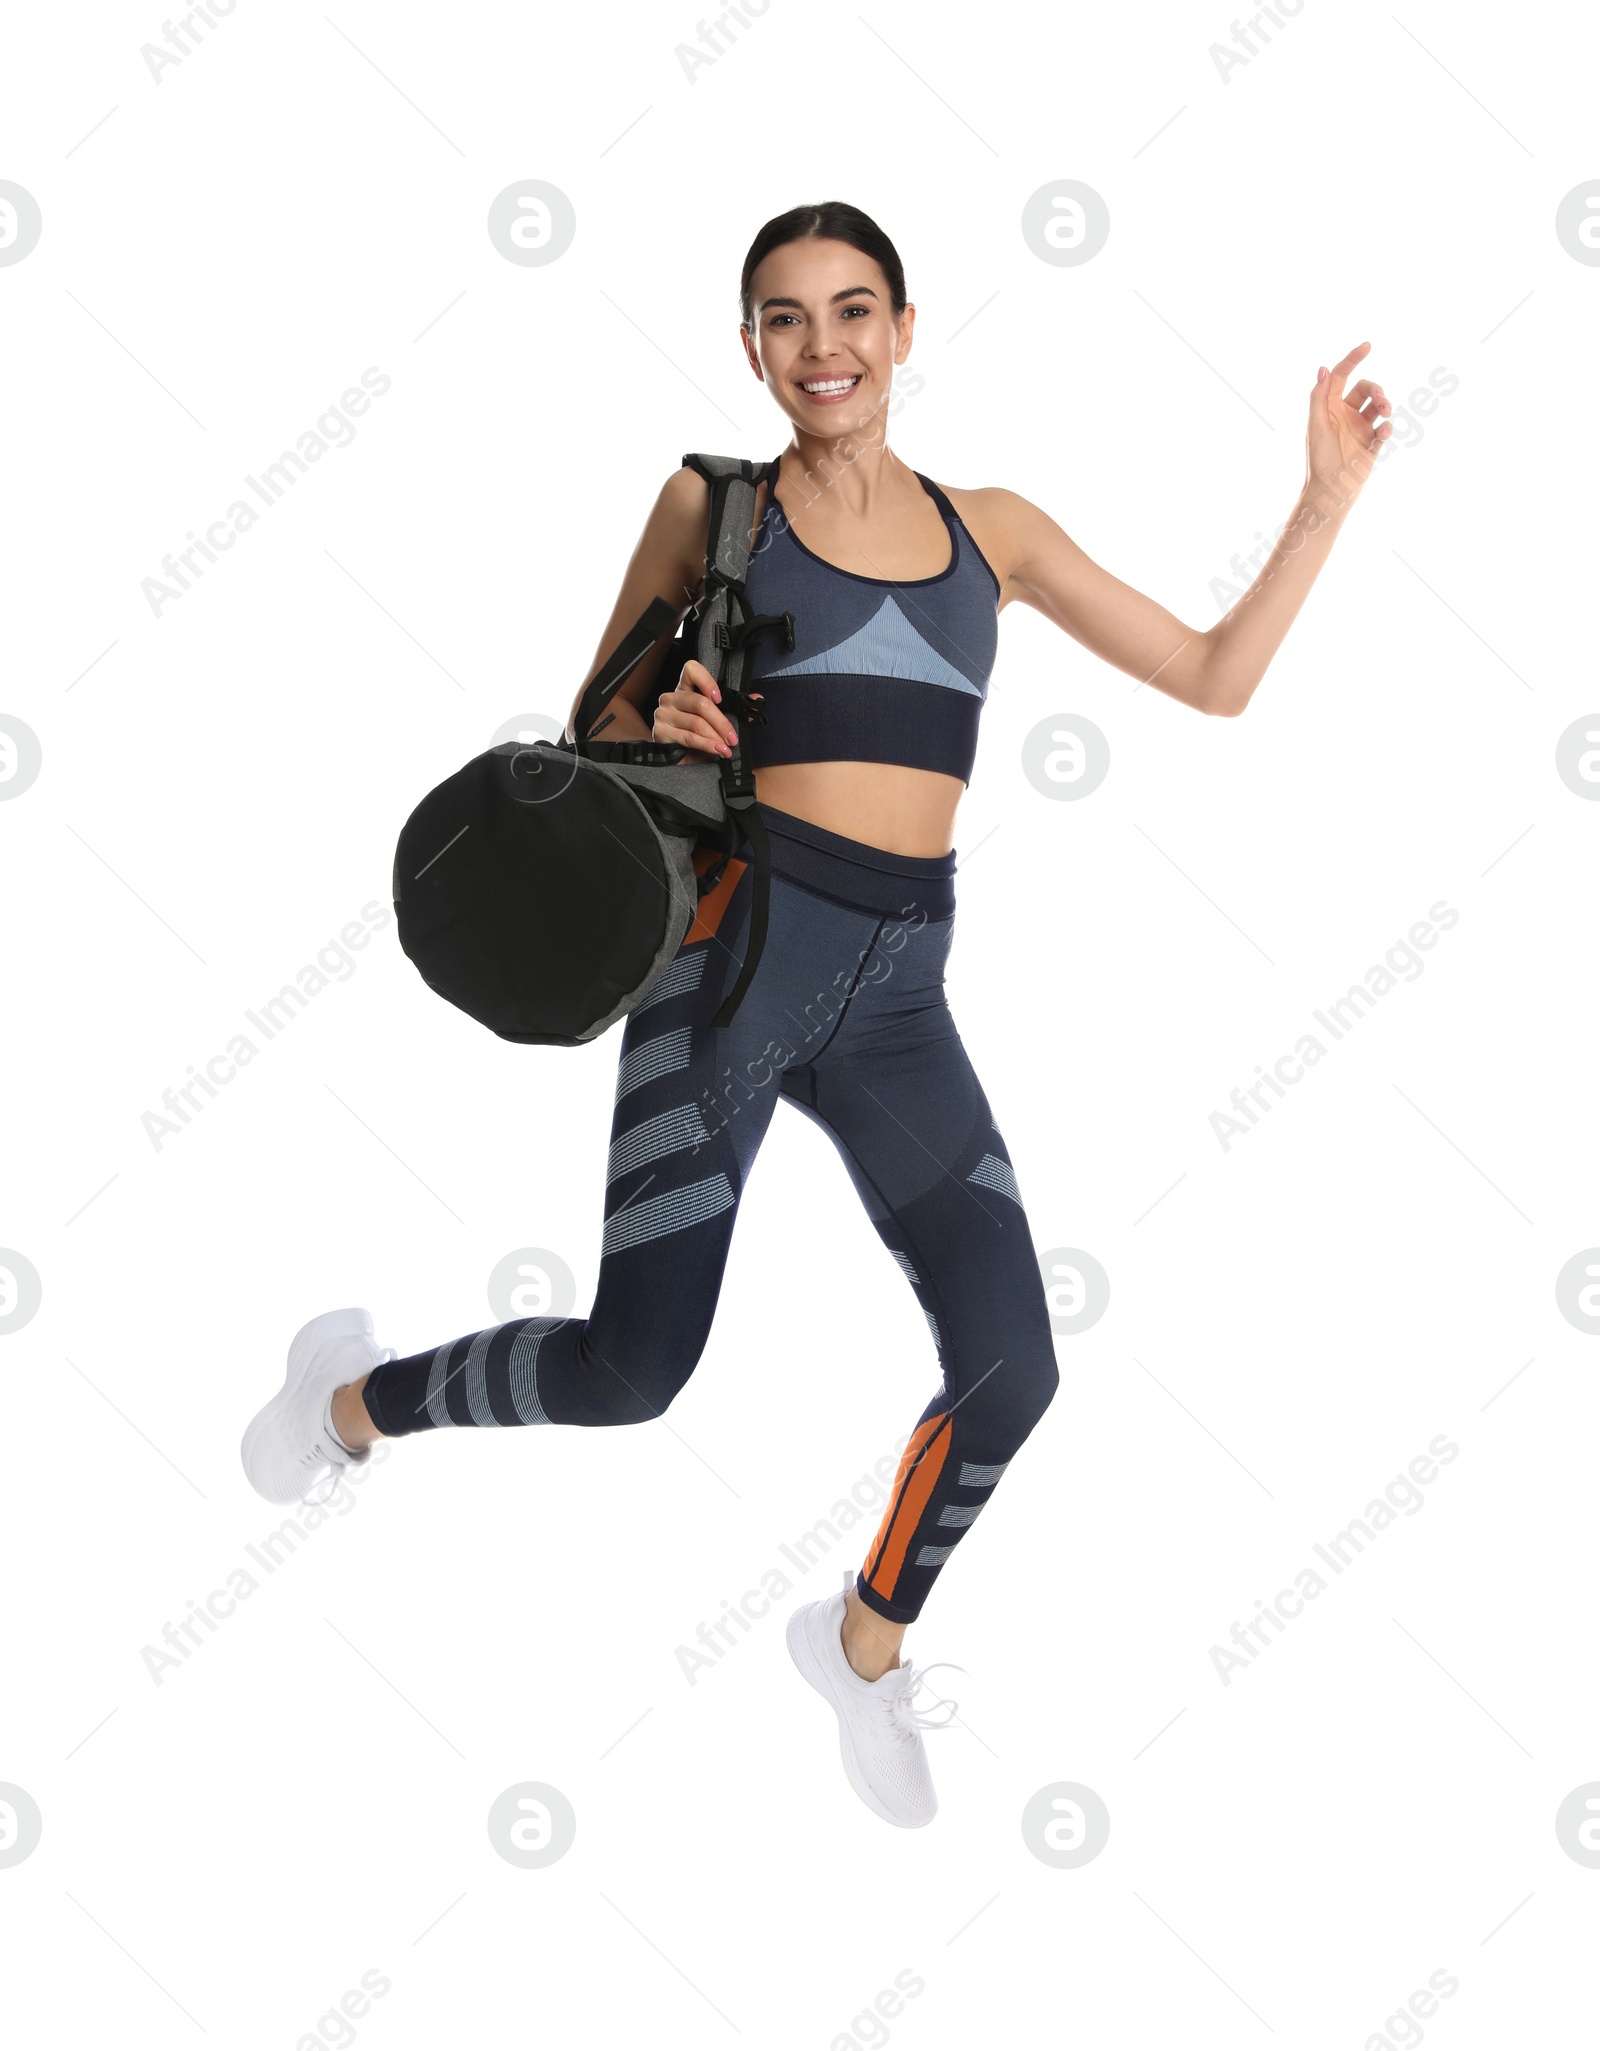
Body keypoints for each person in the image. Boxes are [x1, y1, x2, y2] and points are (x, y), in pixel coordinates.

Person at [240, 200, 1391, 1828]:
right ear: (752, 349)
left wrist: (1321, 508)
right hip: (725, 963)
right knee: (636, 1373)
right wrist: (673, 708)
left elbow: (1214, 674)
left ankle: (858, 1647)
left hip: (898, 999)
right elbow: (594, 723)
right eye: (786, 319)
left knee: (1015, 1367)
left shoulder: (999, 536)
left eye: (855, 311)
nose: (824, 346)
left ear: (907, 331)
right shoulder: (711, 508)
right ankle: (349, 1397)